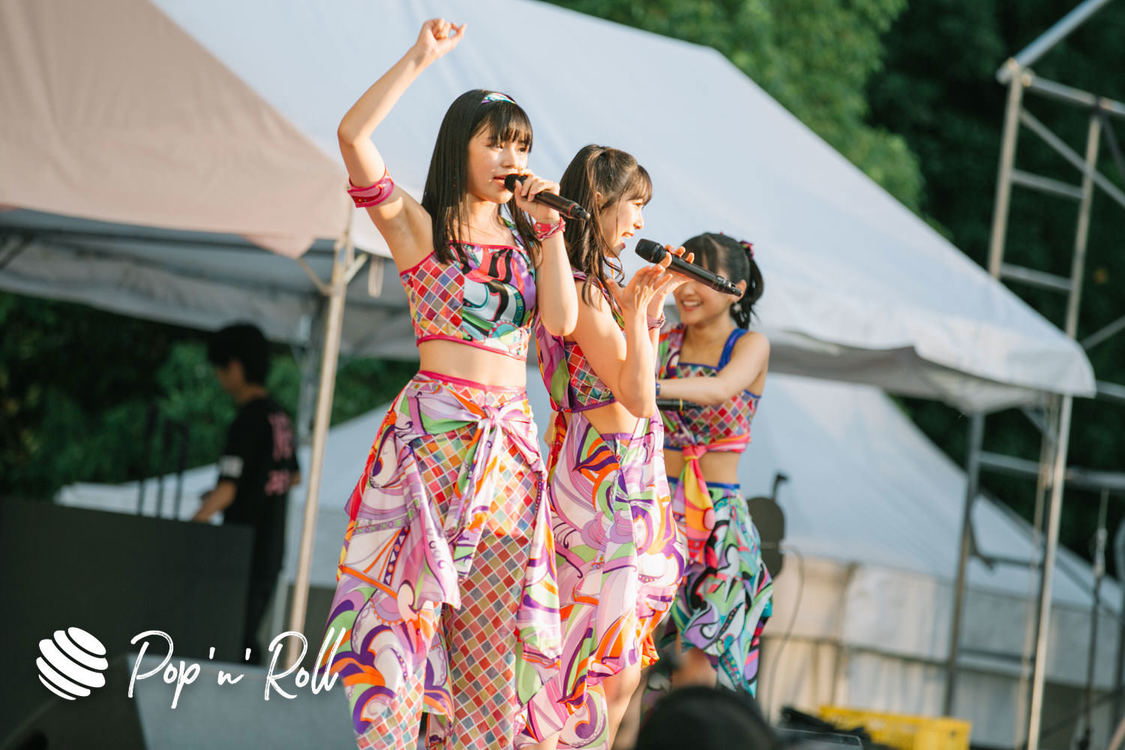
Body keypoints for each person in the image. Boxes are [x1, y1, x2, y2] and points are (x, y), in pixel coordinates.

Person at [315, 18, 578, 750]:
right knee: (399, 631)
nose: (511, 159)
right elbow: (352, 137)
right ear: (460, 146)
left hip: (508, 453)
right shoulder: (421, 228)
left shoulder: (529, 241)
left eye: (521, 146)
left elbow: (561, 321)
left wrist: (551, 231)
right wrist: (419, 57)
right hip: (433, 440)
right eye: (496, 143)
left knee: (488, 643)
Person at [521, 145, 686, 750]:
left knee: (617, 672)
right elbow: (638, 395)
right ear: (599, 200)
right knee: (594, 667)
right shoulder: (582, 290)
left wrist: (650, 308)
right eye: (634, 205)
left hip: (624, 474)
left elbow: (641, 387)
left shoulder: (597, 289)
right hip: (600, 479)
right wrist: (639, 311)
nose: (639, 221)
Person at [654, 232, 773, 695]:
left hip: (717, 525)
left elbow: (720, 388)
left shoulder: (751, 346)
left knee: (700, 668)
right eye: (681, 273)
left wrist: (646, 388)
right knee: (635, 659)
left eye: (702, 278)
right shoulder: (662, 339)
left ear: (735, 290)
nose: (686, 288)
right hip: (655, 510)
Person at [194, 322, 301, 666]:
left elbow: (228, 489)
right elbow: (293, 475)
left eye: (220, 369)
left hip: (241, 550)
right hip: (271, 545)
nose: (219, 378)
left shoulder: (248, 420)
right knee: (245, 635)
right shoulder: (279, 416)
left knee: (229, 640)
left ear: (235, 367)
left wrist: (194, 523)